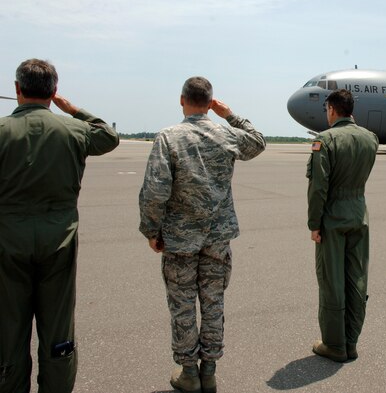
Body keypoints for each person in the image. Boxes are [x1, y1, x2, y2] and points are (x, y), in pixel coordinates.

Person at [139, 76, 265, 393]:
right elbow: (257, 141)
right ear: (210, 103)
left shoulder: (169, 137)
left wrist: (152, 230)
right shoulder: (226, 134)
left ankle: (189, 374)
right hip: (216, 239)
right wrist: (230, 114)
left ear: (182, 100)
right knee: (213, 304)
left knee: (182, 307)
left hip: (180, 240)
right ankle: (208, 372)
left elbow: (155, 192)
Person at [0, 59, 119, 393]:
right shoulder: (73, 129)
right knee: (58, 328)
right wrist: (74, 109)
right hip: (59, 241)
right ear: (53, 92)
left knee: (9, 328)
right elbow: (109, 137)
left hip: (7, 240)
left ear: (17, 89)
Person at [306, 89, 379, 362]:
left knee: (331, 280)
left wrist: (314, 223)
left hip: (333, 217)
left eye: (327, 110)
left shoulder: (325, 140)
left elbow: (318, 188)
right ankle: (351, 340)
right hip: (359, 213)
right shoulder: (370, 138)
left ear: (333, 110)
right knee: (357, 277)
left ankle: (334, 344)